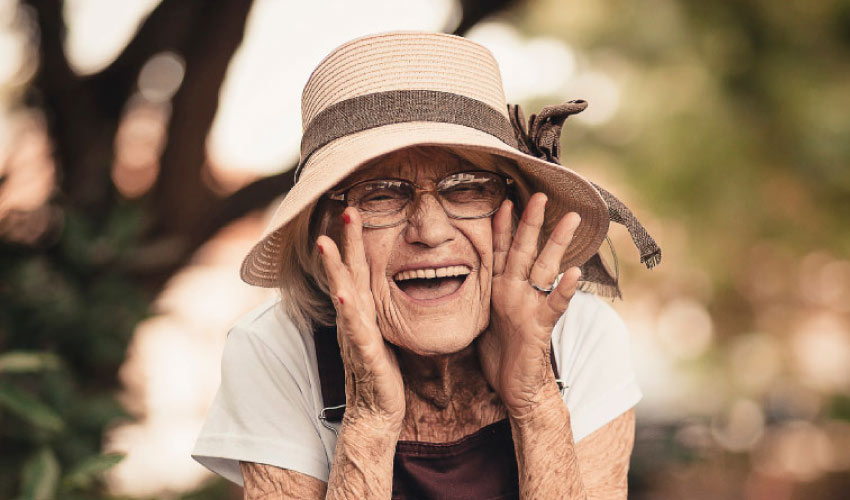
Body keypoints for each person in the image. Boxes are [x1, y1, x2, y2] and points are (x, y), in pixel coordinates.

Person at [192, 31, 661, 499]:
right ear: (325, 232)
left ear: (514, 214)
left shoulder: (580, 334)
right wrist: (371, 418)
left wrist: (536, 400)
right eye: (380, 195)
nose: (431, 232)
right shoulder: (277, 350)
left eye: (468, 187)